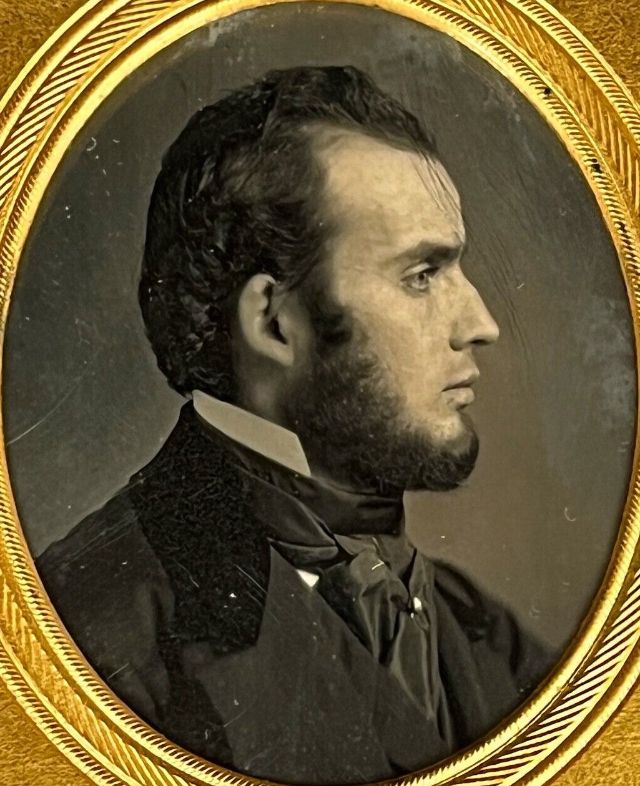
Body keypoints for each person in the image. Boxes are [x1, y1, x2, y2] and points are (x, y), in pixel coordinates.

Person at [38, 65, 551, 784]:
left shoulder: (495, 642)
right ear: (275, 323)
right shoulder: (75, 640)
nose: (483, 324)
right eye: (421, 276)